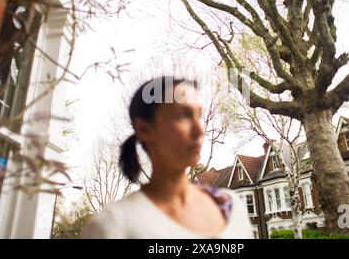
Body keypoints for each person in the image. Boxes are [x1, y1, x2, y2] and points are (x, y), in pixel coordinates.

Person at [81, 76, 253, 239]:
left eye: (199, 115)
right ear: (144, 129)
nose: (199, 130)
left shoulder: (231, 206)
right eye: (183, 115)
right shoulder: (112, 226)